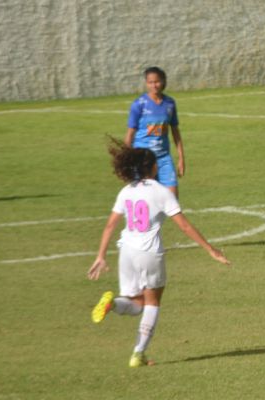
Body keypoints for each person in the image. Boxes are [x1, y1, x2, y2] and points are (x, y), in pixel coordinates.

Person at [88, 139, 230, 367]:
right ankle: (138, 353)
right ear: (152, 167)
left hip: (126, 251)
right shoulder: (161, 192)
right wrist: (210, 250)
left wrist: (100, 256)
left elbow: (109, 225)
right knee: (153, 302)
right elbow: (184, 225)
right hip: (148, 252)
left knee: (136, 304)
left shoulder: (126, 191)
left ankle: (112, 304)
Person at [125, 67, 184, 199]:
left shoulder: (170, 104)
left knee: (172, 199)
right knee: (144, 200)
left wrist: (181, 159)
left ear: (163, 81)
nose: (154, 85)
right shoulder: (138, 104)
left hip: (164, 159)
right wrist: (127, 160)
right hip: (143, 160)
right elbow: (130, 134)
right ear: (146, 83)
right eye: (150, 82)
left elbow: (175, 132)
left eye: (157, 81)